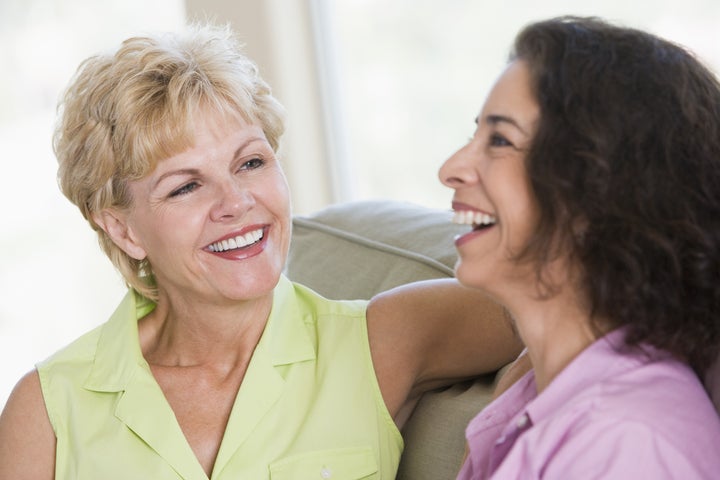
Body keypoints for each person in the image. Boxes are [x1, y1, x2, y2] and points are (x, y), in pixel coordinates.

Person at [0, 23, 523, 479]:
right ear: (123, 230)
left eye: (250, 163)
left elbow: (571, 299)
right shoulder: (45, 410)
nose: (236, 202)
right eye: (186, 186)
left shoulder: (382, 341)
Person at [440, 16, 720, 479]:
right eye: (475, 136)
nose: (450, 168)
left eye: (500, 140)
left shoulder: (627, 444)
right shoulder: (535, 405)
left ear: (605, 192)